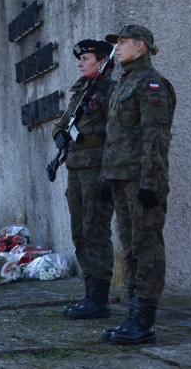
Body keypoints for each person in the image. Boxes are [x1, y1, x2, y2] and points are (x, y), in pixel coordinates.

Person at [99, 25, 176, 345]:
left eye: (123, 42)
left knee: (146, 248)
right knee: (130, 247)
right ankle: (133, 313)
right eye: (116, 43)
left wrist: (150, 183)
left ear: (140, 46)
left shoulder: (151, 84)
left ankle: (144, 319)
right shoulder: (123, 83)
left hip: (141, 182)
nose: (117, 47)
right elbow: (115, 137)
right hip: (121, 178)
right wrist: (108, 176)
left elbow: (154, 138)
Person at [52, 39, 116, 320]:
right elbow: (63, 122)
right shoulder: (81, 90)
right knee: (80, 231)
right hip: (76, 169)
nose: (79, 63)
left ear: (102, 61)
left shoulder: (111, 92)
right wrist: (59, 134)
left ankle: (100, 299)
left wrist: (108, 174)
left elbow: (117, 136)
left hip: (97, 170)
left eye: (86, 58)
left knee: (96, 231)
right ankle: (90, 293)